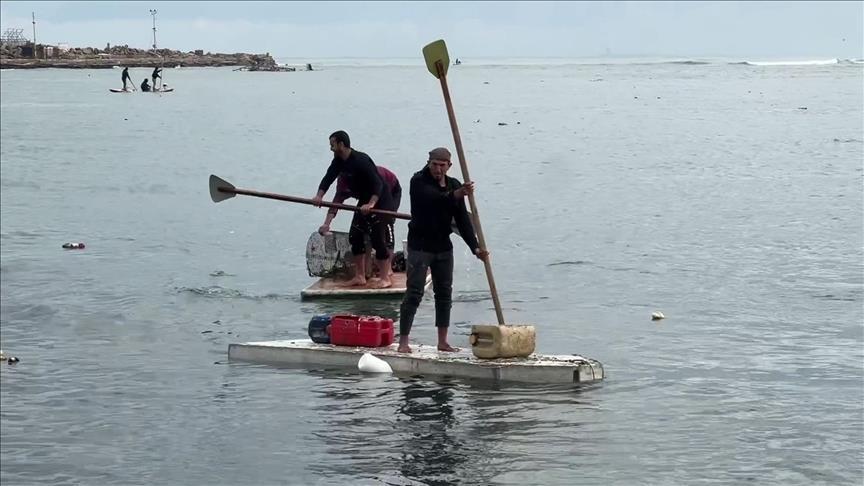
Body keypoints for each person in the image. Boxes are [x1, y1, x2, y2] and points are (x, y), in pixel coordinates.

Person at [397, 147, 487, 354]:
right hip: (420, 245)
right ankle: (403, 342)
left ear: (449, 166)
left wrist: (475, 248)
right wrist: (457, 194)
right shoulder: (418, 181)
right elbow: (433, 199)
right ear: (429, 163)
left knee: (444, 293)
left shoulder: (454, 185)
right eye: (434, 164)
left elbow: (463, 221)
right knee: (414, 293)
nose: (437, 169)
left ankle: (443, 342)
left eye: (442, 165)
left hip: (442, 246)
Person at [312, 131, 397, 288]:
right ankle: (360, 276)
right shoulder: (338, 161)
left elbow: (378, 184)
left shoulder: (361, 160)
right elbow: (328, 178)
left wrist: (371, 204)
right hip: (364, 200)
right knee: (355, 235)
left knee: (378, 238)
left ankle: (385, 278)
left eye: (332, 145)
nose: (331, 148)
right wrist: (319, 196)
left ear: (341, 145)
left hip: (381, 199)